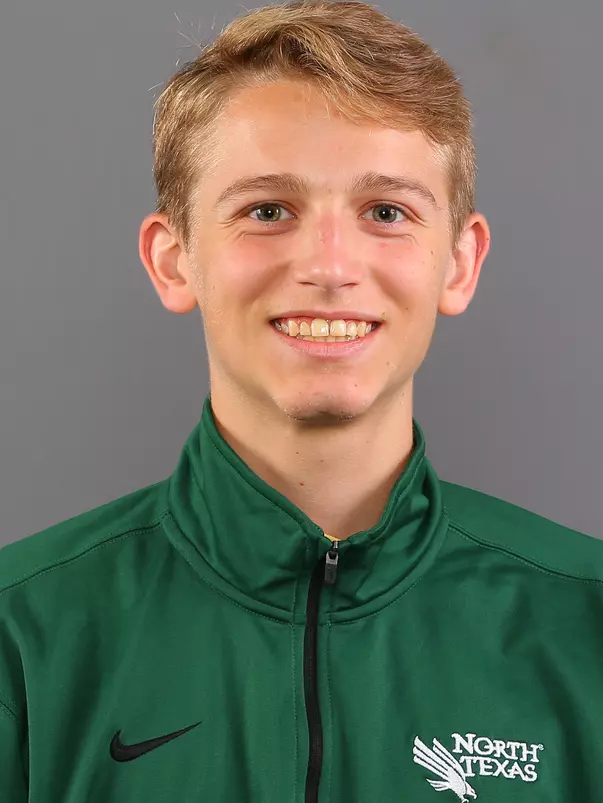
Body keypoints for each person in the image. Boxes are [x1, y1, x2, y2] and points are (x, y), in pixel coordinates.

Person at [1, 0, 602, 800]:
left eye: (385, 211)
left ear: (458, 262)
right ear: (173, 259)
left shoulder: (585, 627)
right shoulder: (22, 636)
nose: (329, 264)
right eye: (267, 210)